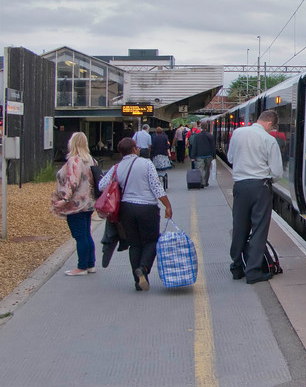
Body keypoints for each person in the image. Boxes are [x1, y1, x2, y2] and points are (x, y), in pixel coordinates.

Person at [99, 137, 173, 291]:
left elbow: (102, 185)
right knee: (151, 241)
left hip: (126, 209)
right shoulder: (146, 163)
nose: (139, 149)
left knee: (135, 244)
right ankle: (144, 269)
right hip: (147, 209)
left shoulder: (117, 167)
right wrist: (167, 205)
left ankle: (137, 281)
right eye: (137, 147)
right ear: (134, 149)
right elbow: (156, 187)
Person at [227, 110, 283, 284]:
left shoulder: (238, 133)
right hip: (260, 187)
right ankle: (253, 271)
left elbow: (230, 157)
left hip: (240, 186)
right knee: (259, 228)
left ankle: (237, 266)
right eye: (272, 127)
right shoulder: (269, 140)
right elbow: (276, 171)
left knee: (239, 226)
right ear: (270, 124)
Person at [50, 132, 98, 276]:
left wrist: (64, 199)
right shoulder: (91, 160)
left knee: (80, 236)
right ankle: (90, 264)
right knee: (86, 234)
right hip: (89, 203)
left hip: (75, 204)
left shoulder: (74, 161)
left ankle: (81, 267)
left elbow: (72, 182)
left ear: (72, 143)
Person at [189, 121, 216, 187]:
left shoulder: (197, 136)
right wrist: (214, 156)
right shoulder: (210, 136)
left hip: (199, 155)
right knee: (207, 169)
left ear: (200, 127)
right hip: (208, 155)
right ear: (207, 127)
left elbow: (194, 147)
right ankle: (205, 182)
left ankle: (201, 182)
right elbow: (213, 146)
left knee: (200, 169)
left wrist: (192, 156)